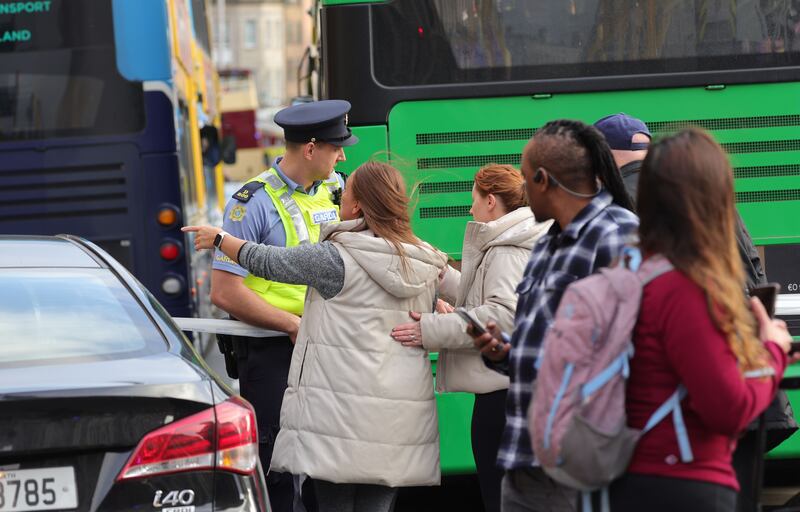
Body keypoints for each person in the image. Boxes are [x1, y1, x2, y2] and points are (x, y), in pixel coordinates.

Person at [185, 161, 447, 512]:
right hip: (397, 424)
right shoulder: (426, 260)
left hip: (342, 418)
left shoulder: (336, 258)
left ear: (356, 207)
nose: (339, 193)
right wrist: (436, 323)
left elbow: (270, 263)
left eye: (347, 190)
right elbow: (475, 295)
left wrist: (220, 238)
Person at [594, 113, 796, 511]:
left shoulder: (638, 266)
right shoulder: (687, 286)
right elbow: (726, 406)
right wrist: (771, 350)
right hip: (685, 471)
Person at [471, 119, 638, 512]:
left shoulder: (619, 236)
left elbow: (634, 351)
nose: (523, 191)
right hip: (526, 459)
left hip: (580, 466)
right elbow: (549, 348)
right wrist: (503, 353)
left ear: (544, 179)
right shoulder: (548, 242)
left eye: (527, 180)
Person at [208, 99, 355, 512]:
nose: (342, 155)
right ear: (310, 149)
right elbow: (225, 291)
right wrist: (291, 325)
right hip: (275, 351)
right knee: (279, 472)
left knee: (330, 466)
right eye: (336, 146)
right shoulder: (249, 202)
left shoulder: (338, 189)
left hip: (331, 347)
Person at [390, 164, 552, 512]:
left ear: (491, 200)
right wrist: (438, 269)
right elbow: (483, 295)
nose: (470, 208)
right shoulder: (520, 237)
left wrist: (428, 329)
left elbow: (503, 317)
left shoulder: (506, 249)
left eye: (474, 199)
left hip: (504, 400)